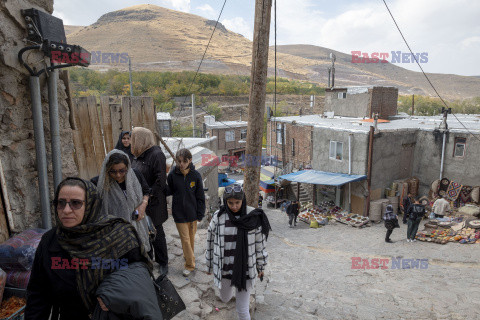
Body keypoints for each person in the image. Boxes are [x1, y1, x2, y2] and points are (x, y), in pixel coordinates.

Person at [25, 177, 155, 319]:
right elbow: (38, 293)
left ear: (91, 204)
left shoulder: (119, 234)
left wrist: (113, 294)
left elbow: (139, 273)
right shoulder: (50, 241)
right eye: (60, 203)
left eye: (75, 203)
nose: (66, 210)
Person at [205, 184, 270, 320]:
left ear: (243, 200)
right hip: (225, 270)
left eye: (237, 203)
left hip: (244, 271)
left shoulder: (252, 217)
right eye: (230, 203)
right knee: (224, 298)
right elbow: (210, 241)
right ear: (225, 201)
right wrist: (209, 264)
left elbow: (260, 245)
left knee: (242, 310)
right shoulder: (219, 217)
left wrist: (261, 266)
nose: (234, 206)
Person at [92, 150, 152, 253]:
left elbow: (146, 191)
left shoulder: (135, 175)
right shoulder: (98, 183)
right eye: (113, 171)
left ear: (127, 168)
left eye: (122, 171)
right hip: (115, 232)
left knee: (142, 254)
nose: (118, 175)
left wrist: (143, 205)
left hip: (138, 225)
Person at [131, 127, 169, 275]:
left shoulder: (156, 154)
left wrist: (147, 196)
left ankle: (163, 262)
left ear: (141, 139)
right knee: (143, 232)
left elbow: (160, 180)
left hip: (153, 203)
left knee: (157, 233)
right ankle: (149, 258)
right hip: (139, 203)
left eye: (134, 138)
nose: (132, 142)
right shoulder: (138, 155)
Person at [166, 148, 205, 277]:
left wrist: (200, 213)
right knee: (185, 239)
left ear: (190, 160)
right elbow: (169, 190)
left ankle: (187, 256)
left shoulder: (196, 175)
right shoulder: (172, 175)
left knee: (191, 239)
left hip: (192, 213)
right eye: (179, 161)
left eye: (184, 161)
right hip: (179, 214)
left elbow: (200, 197)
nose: (181, 164)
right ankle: (190, 265)